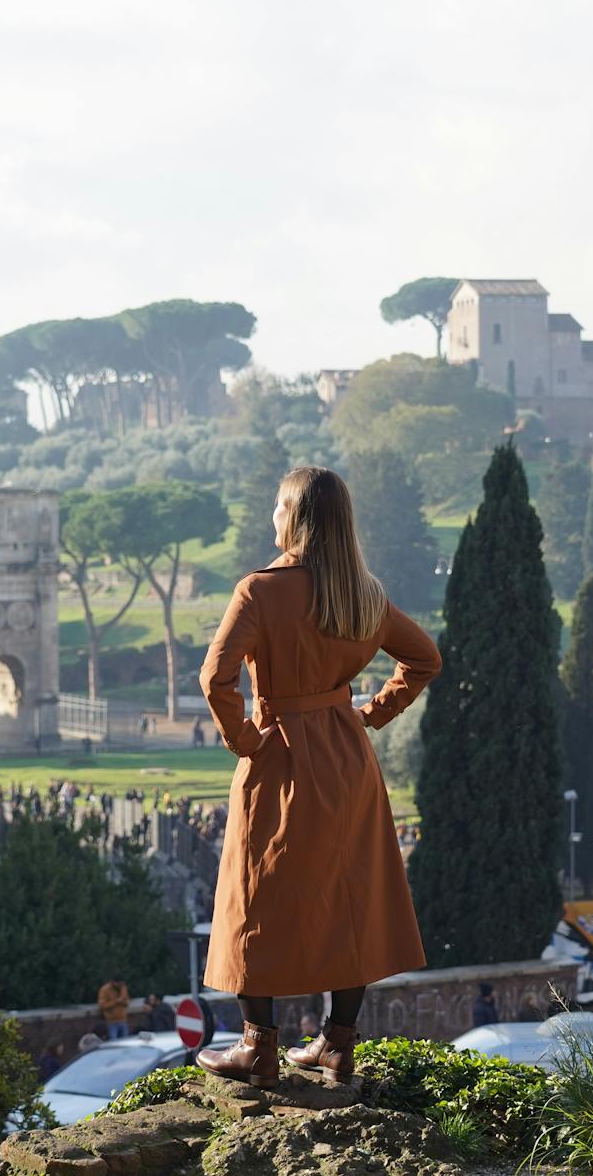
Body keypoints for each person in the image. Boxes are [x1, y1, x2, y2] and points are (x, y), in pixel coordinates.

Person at [194, 466, 441, 1090]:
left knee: (257, 893)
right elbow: (425, 659)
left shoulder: (259, 591)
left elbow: (215, 679)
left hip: (278, 754)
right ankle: (337, 1043)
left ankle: (258, 1048)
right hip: (347, 754)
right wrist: (370, 715)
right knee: (351, 891)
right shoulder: (363, 594)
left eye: (278, 507)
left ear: (295, 517)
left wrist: (244, 739)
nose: (271, 518)